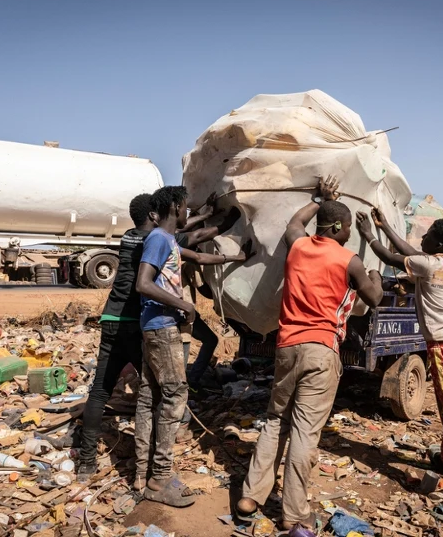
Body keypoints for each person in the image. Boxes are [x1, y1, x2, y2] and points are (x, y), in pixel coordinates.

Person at [236, 176, 384, 530]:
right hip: (322, 350)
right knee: (304, 431)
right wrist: (376, 272)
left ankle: (250, 496)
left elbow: (294, 223)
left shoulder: (299, 246)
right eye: (348, 227)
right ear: (339, 227)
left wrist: (320, 197)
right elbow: (375, 299)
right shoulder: (350, 261)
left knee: (275, 420)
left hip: (286, 346)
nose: (350, 232)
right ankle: (293, 514)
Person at [77, 192, 242, 482]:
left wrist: (203, 215)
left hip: (111, 317)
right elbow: (195, 238)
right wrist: (225, 220)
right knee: (160, 391)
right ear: (156, 215)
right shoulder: (157, 240)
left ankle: (87, 462)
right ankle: (157, 465)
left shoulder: (129, 237)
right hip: (141, 323)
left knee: (101, 391)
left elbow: (186, 230)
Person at [355, 209, 443, 509]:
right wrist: (386, 225)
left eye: (428, 236)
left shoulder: (427, 264)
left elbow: (392, 258)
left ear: (438, 244)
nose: (423, 238)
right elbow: (412, 252)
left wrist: (369, 235)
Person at [135, 185, 253, 506]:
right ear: (175, 207)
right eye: (186, 206)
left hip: (156, 326)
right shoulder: (159, 239)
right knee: (175, 395)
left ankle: (143, 473)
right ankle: (159, 480)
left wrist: (237, 257)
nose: (189, 211)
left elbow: (200, 255)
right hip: (162, 327)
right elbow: (143, 283)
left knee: (151, 396)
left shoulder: (168, 240)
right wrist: (182, 304)